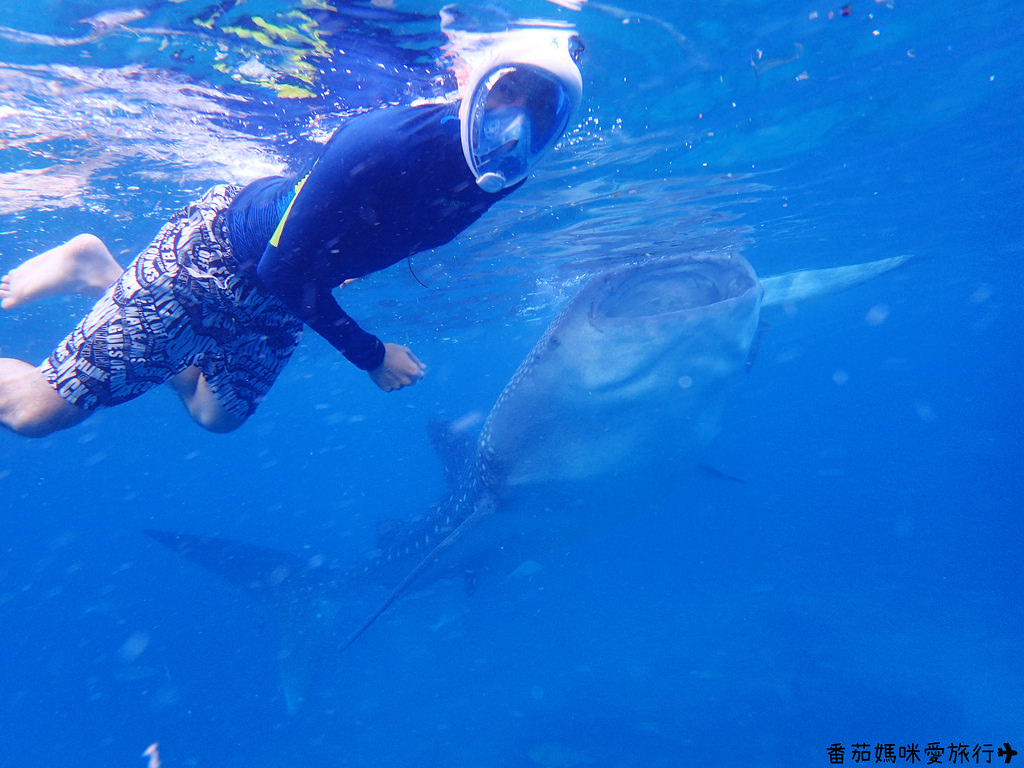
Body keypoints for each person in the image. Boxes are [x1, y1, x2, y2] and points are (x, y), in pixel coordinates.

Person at [0, 29, 583, 438]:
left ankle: (102, 276)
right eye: (507, 92)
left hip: (294, 280)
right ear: (475, 84)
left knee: (217, 416)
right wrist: (372, 355)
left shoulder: (507, 172)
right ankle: (95, 273)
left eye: (540, 108)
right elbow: (279, 269)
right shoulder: (380, 142)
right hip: (218, 258)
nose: (515, 121)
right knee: (34, 414)